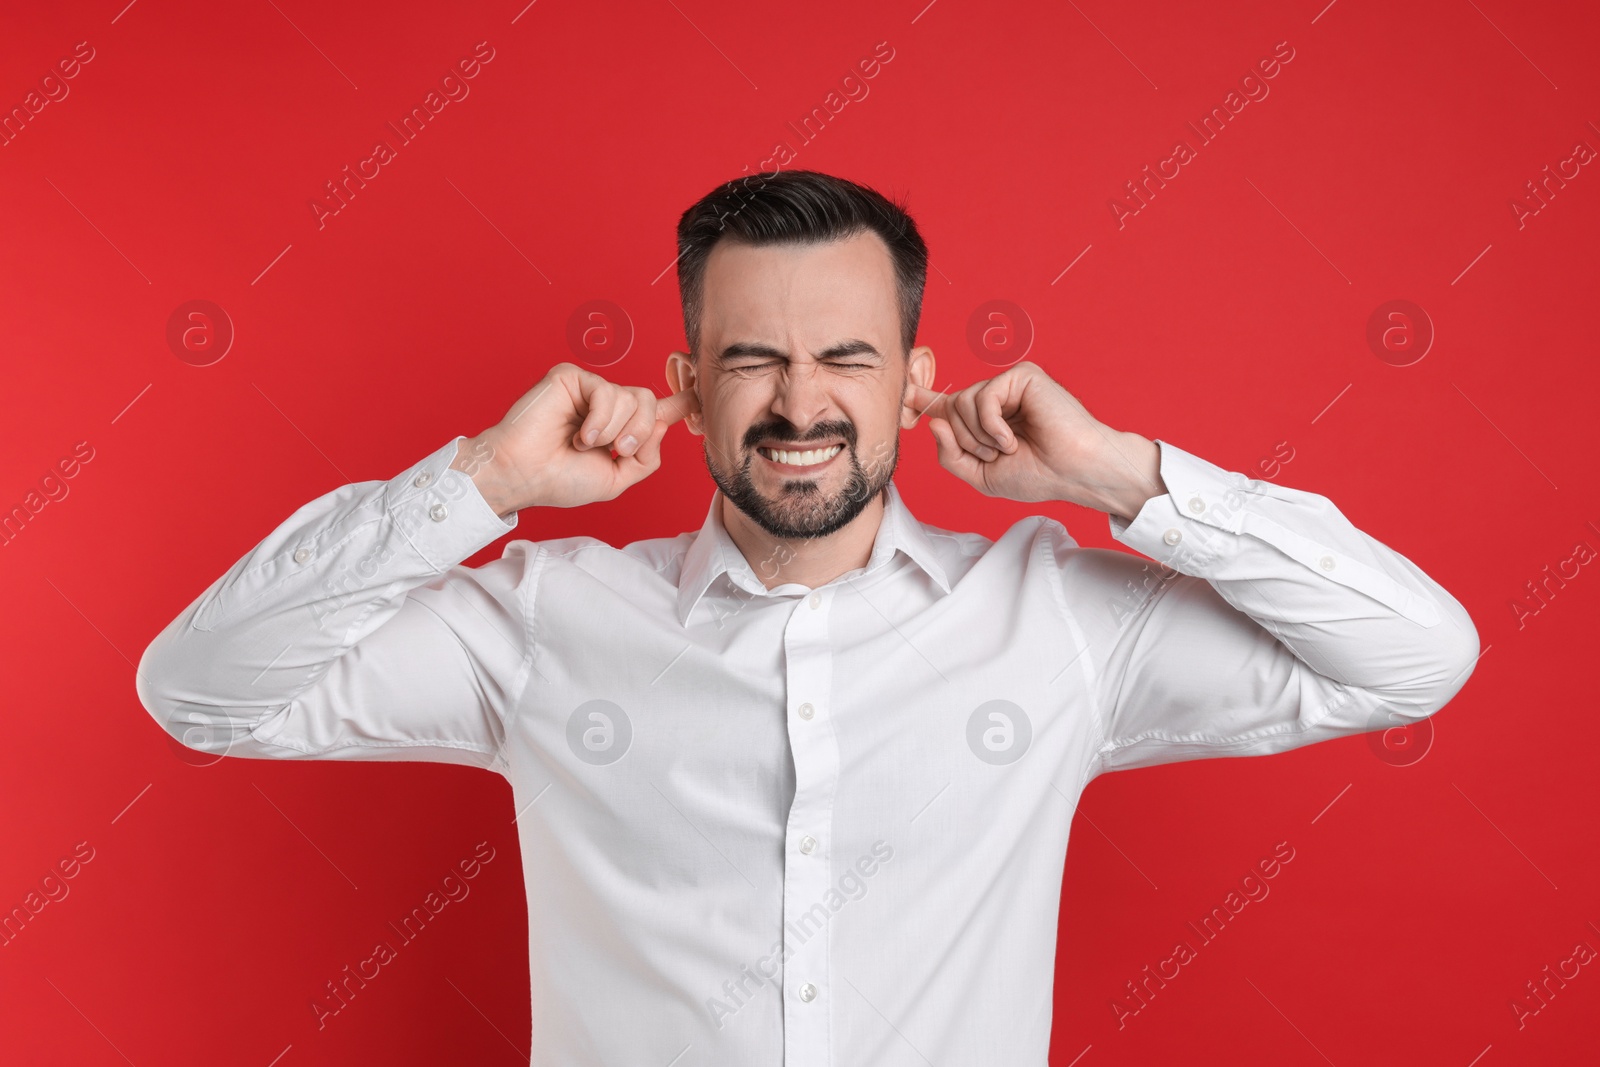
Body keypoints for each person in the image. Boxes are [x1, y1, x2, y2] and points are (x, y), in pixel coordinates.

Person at [137, 170, 1480, 1064]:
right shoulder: (549, 623)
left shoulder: (1054, 621)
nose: (799, 404)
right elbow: (199, 689)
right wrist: (479, 482)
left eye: (846, 356)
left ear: (915, 382)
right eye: (750, 358)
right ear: (685, 381)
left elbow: (1416, 656)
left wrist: (1124, 478)